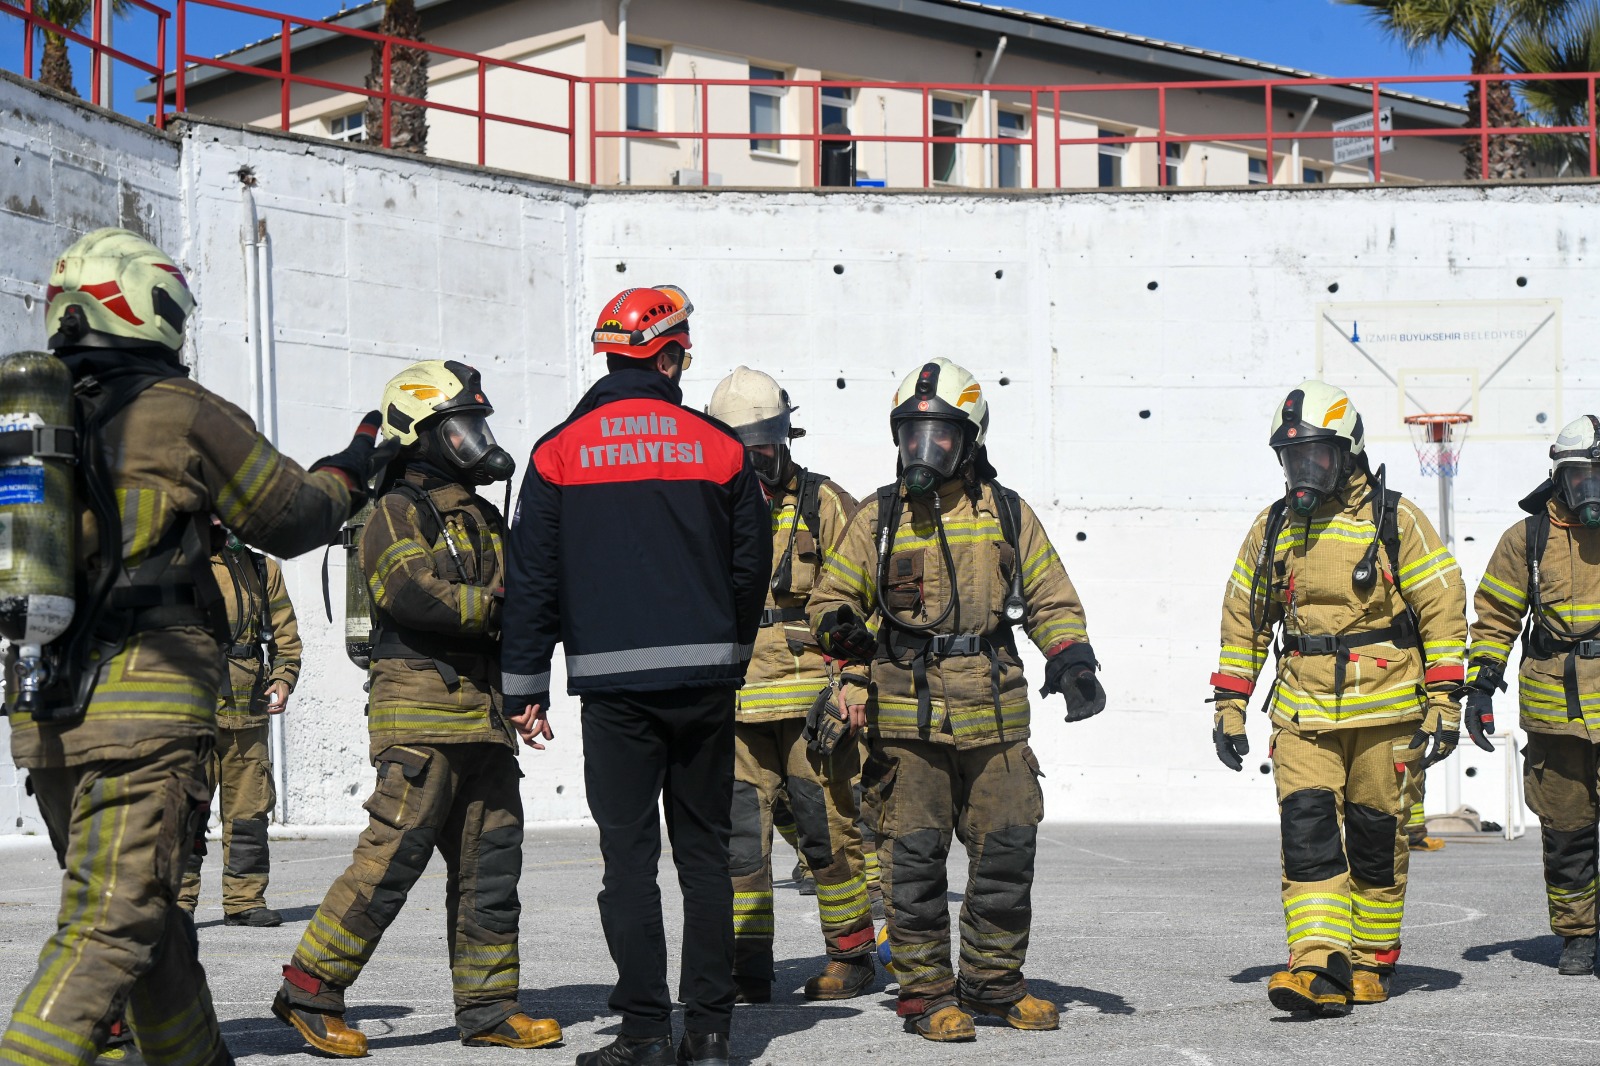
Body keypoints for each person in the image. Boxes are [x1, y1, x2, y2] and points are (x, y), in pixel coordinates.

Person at [0, 227, 387, 1066]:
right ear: (148, 309)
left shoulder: (30, 422)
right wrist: (353, 466)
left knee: (151, 925)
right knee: (109, 929)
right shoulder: (178, 410)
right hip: (143, 712)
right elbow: (291, 517)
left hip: (46, 712)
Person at [501, 286, 770, 1066]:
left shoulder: (558, 452)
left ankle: (646, 1034)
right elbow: (750, 566)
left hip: (614, 694)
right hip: (704, 686)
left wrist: (525, 686)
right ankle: (711, 1037)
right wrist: (729, 651)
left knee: (628, 864)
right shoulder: (719, 448)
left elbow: (533, 580)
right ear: (669, 356)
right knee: (705, 857)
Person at [806, 357, 1104, 1042]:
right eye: (911, 435)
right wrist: (839, 627)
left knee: (1006, 856)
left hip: (995, 716)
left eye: (939, 435)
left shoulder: (1006, 513)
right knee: (912, 864)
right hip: (906, 723)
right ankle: (927, 995)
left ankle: (994, 983)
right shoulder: (879, 518)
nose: (923, 449)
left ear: (969, 440)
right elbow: (831, 595)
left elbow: (1051, 598)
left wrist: (1072, 659)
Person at [271, 360, 558, 1057]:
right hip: (420, 715)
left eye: (478, 425)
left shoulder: (482, 515)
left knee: (492, 867)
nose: (477, 440)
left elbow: (521, 603)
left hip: (485, 715)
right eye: (461, 428)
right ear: (419, 434)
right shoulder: (394, 510)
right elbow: (412, 592)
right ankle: (309, 989)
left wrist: (526, 688)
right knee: (391, 859)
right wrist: (504, 608)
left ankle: (489, 1007)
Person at [1210, 381, 1466, 1016]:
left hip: (1389, 712)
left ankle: (1371, 961)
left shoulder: (1395, 520)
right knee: (1307, 835)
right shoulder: (1272, 527)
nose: (1303, 470)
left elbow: (1442, 607)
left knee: (1378, 840)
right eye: (1292, 458)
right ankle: (1318, 962)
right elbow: (1244, 619)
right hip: (1303, 713)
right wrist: (1230, 704)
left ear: (1348, 453)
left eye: (1315, 456)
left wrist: (1445, 700)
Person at [705, 366, 875, 1005]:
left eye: (765, 448)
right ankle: (746, 967)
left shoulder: (827, 504)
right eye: (742, 451)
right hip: (736, 703)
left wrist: (853, 683)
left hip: (812, 705)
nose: (756, 463)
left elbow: (864, 604)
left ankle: (851, 957)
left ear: (785, 438)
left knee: (827, 832)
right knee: (740, 845)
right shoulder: (705, 505)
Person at [1464, 414, 1600, 976]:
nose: (1589, 488)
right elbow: (1496, 617)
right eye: (1580, 475)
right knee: (1566, 831)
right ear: (1559, 476)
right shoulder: (1527, 540)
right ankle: (1578, 935)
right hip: (1555, 714)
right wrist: (1480, 689)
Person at [177, 522, 303, 926]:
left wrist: (283, 677)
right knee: (182, 811)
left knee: (250, 812)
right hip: (189, 711)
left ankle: (244, 901)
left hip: (247, 711)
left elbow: (286, 634)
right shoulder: (177, 561)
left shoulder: (263, 568)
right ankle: (176, 903)